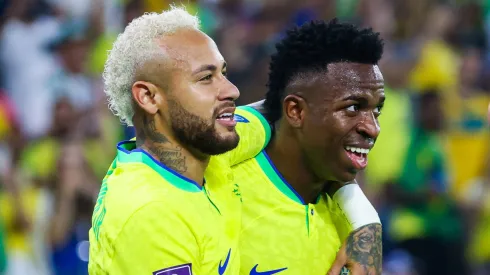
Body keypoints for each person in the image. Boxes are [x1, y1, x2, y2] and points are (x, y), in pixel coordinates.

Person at [88, 7, 272, 274]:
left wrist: (355, 219)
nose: (232, 90)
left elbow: (293, 111)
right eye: (206, 78)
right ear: (149, 97)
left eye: (223, 73)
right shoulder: (150, 213)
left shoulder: (206, 141)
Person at [233, 20, 384, 275]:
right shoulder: (220, 186)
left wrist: (367, 221)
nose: (373, 128)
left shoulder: (353, 224)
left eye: (376, 109)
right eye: (353, 107)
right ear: (296, 111)